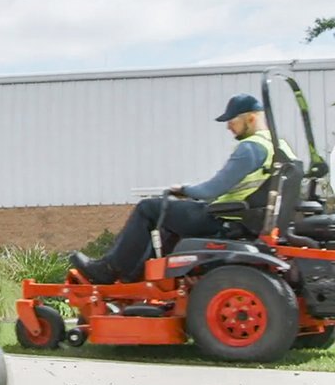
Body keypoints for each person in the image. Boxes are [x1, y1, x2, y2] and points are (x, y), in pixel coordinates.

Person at [68, 92, 295, 284]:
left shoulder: (250, 148)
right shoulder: (280, 147)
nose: (228, 127)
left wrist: (184, 189)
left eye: (232, 120)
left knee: (148, 208)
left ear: (251, 118)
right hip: (248, 219)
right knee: (171, 221)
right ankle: (137, 276)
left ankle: (108, 270)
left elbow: (210, 191)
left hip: (225, 218)